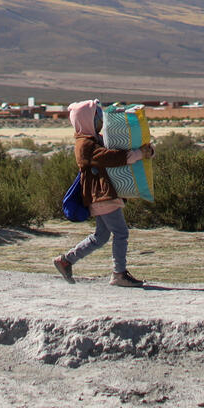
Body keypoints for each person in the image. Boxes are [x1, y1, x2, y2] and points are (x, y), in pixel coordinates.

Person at [53, 100, 153, 287]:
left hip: (102, 194)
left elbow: (116, 149)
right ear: (86, 120)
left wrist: (143, 151)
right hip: (101, 194)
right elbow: (109, 157)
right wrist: (137, 154)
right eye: (96, 116)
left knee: (101, 236)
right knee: (120, 233)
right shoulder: (84, 145)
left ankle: (66, 261)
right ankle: (119, 274)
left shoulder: (93, 140)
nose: (100, 120)